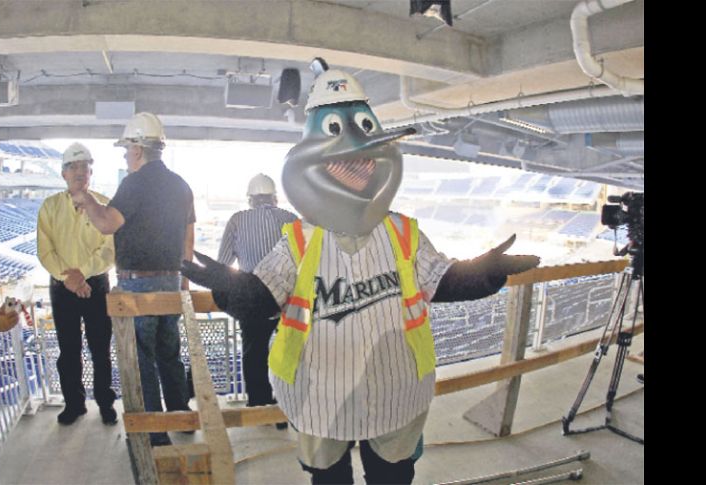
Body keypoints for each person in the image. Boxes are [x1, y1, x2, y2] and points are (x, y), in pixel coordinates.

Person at [182, 59, 540, 483]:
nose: (357, 164)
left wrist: (485, 271)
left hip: (395, 394)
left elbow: (440, 279)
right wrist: (231, 286)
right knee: (330, 480)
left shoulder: (403, 232)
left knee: (391, 477)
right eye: (341, 159)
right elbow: (263, 296)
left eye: (365, 157)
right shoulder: (299, 239)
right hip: (320, 398)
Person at [72, 113, 195, 447]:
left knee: (143, 358)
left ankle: (155, 432)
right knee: (170, 352)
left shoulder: (134, 183)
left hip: (137, 285)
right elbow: (188, 236)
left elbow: (108, 223)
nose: (126, 157)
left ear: (139, 149)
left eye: (127, 150)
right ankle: (182, 416)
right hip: (171, 282)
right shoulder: (181, 185)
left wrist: (87, 201)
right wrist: (183, 279)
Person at [37, 142, 118, 426]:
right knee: (68, 349)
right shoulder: (50, 208)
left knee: (100, 348)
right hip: (63, 288)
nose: (80, 172)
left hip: (95, 284)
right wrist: (69, 278)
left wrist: (80, 274)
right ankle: (74, 404)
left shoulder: (104, 205)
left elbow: (109, 250)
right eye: (73, 167)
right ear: (63, 174)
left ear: (91, 172)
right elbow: (45, 250)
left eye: (85, 167)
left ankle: (106, 403)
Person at [217, 174, 297, 426]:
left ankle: (259, 408)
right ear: (274, 198)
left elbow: (222, 265)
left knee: (254, 353)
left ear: (250, 199)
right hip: (290, 299)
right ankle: (286, 409)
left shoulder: (238, 220)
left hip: (253, 298)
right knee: (290, 351)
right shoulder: (291, 220)